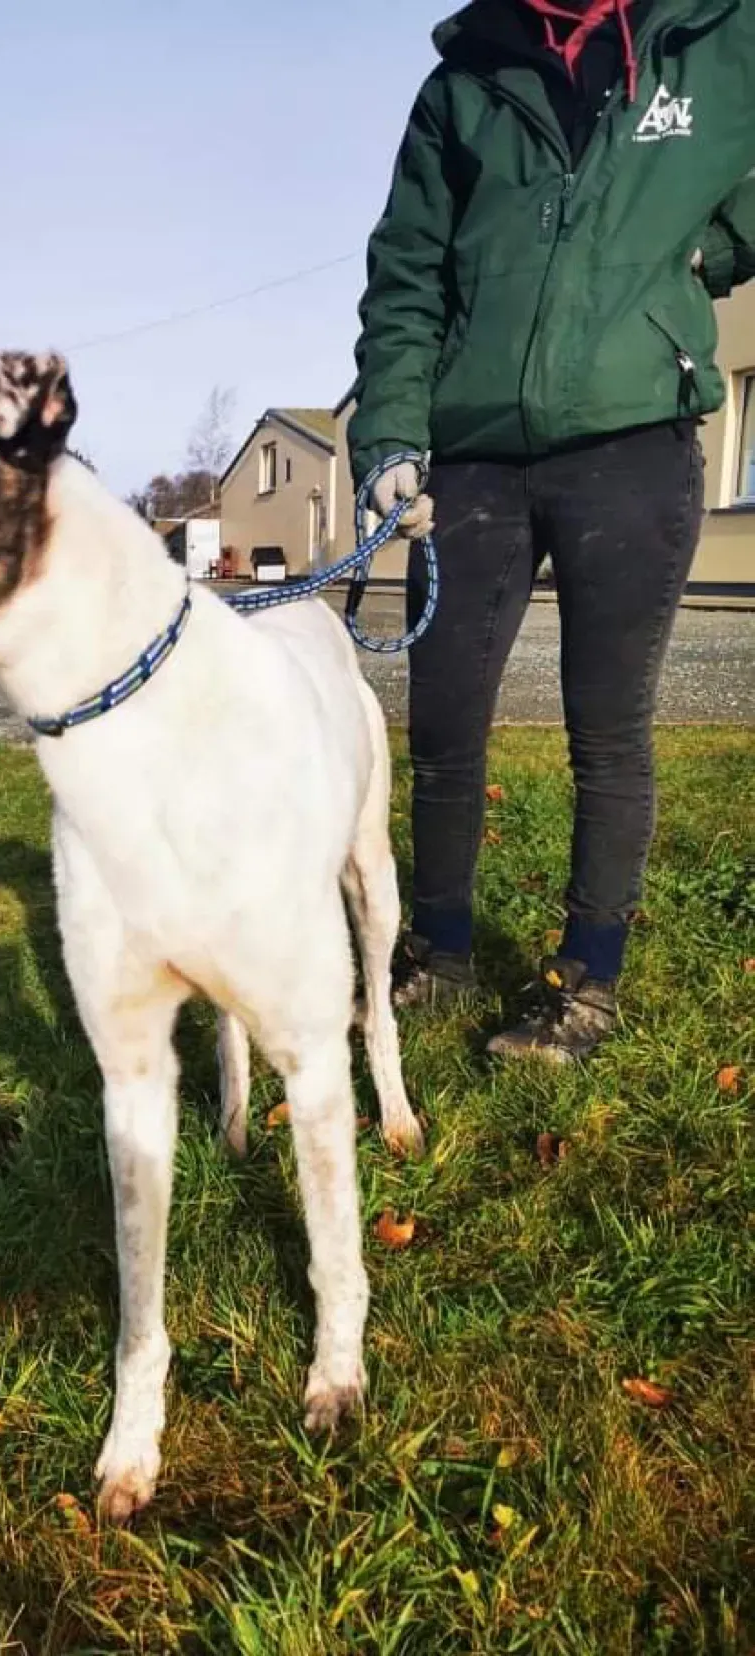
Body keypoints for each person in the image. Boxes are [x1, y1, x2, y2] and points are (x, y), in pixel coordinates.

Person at [348, 0, 755, 1061]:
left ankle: (586, 985)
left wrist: (694, 259)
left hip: (631, 442)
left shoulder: (722, 38)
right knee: (443, 728)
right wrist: (392, 432)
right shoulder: (463, 83)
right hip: (471, 452)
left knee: (607, 730)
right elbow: (405, 272)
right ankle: (436, 952)